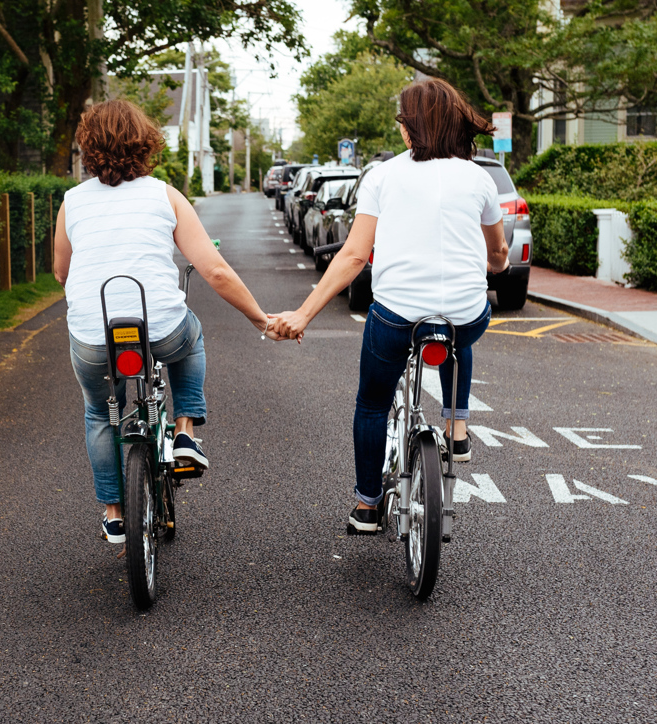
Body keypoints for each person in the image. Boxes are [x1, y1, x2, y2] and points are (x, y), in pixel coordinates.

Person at [271, 79, 510, 535]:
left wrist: (304, 314)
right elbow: (498, 252)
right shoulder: (480, 177)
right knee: (459, 329)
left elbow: (355, 255)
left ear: (411, 129)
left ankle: (366, 505)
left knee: (372, 404)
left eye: (402, 120)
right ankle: (457, 429)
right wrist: (492, 266)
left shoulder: (383, 175)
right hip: (464, 316)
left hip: (396, 317)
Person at [53, 99, 278, 544]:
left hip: (93, 334)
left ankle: (115, 513)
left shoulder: (72, 202)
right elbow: (214, 271)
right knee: (190, 337)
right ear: (145, 142)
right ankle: (184, 431)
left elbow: (61, 271)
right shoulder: (164, 194)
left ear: (87, 147)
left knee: (101, 412)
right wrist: (260, 319)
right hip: (161, 328)